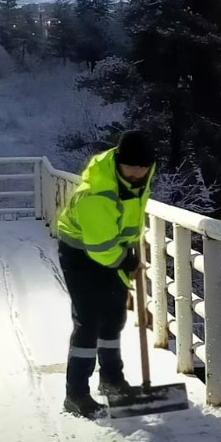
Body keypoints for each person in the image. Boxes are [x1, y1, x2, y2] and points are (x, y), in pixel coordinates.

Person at [55, 130, 158, 418]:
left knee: (114, 316)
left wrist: (127, 249)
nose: (137, 173)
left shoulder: (139, 176)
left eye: (143, 167)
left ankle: (112, 380)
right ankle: (76, 394)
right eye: (131, 167)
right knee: (88, 321)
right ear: (119, 163)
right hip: (80, 251)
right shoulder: (97, 193)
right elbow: (100, 247)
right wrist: (124, 260)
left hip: (112, 246)